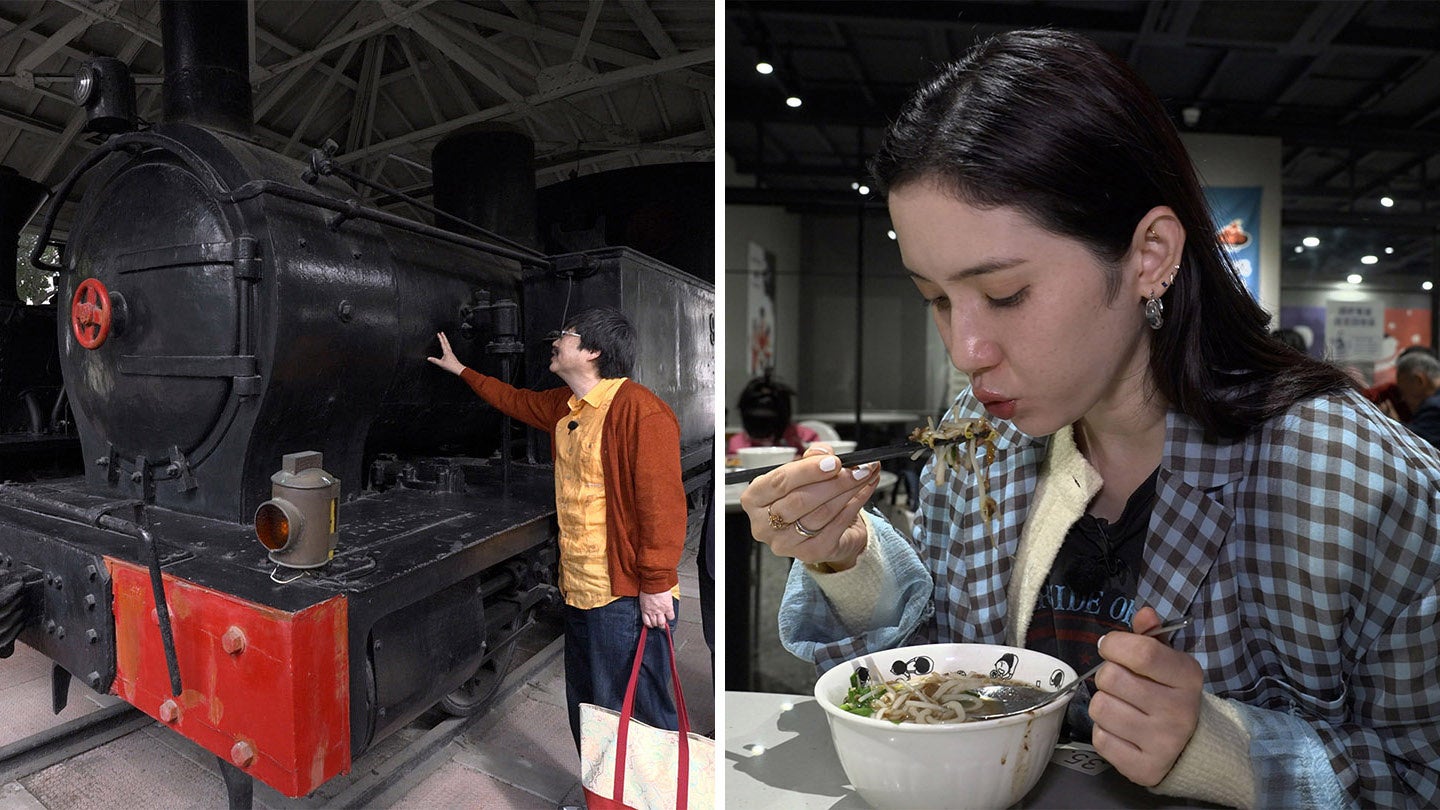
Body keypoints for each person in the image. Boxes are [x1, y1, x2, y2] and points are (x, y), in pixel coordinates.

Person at [740, 29, 1440, 809]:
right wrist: (848, 557)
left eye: (1005, 294)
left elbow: (1421, 772)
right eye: (935, 298)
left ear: (1149, 256)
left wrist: (1231, 754)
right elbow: (937, 669)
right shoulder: (982, 433)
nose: (966, 350)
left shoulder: (1356, 480)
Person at [427, 306, 686, 751]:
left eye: (565, 336)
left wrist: (657, 582)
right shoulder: (565, 406)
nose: (555, 342)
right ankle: (600, 796)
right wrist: (462, 370)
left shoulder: (639, 410)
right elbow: (513, 399)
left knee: (633, 710)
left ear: (592, 351)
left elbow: (661, 504)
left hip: (623, 592)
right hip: (581, 586)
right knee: (588, 705)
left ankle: (648, 798)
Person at [726, 372, 819, 454]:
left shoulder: (806, 439)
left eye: (767, 421)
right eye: (756, 421)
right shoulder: (737, 445)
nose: (761, 426)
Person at [1394, 347, 1440, 447]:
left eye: (1403, 391)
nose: (1403, 398)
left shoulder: (1433, 407)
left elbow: (1418, 442)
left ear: (1419, 380)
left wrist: (1392, 423)